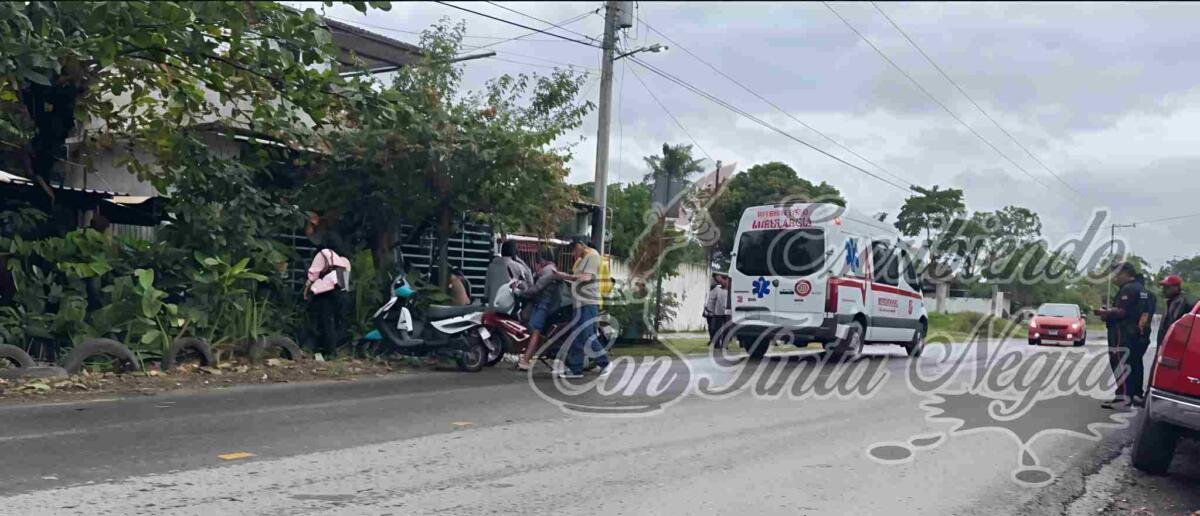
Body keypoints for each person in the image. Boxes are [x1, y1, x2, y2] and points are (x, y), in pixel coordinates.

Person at [554, 238, 611, 378]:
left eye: (574, 248)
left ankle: (604, 362)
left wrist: (564, 275)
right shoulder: (582, 259)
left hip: (588, 302)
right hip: (579, 303)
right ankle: (575, 369)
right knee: (577, 335)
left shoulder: (592, 256)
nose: (573, 252)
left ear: (581, 245)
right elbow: (577, 278)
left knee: (586, 335)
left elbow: (585, 278)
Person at [1093, 262, 1147, 409]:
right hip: (1135, 332)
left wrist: (1105, 313)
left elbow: (1122, 312)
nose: (1114, 277)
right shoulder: (1141, 289)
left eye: (1116, 273)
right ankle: (1132, 395)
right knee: (1131, 363)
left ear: (1126, 273)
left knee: (1119, 362)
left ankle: (1122, 398)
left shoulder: (1128, 289)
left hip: (1121, 331)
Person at [514, 248, 561, 371]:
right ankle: (526, 356)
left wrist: (520, 292)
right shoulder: (547, 270)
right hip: (540, 303)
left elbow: (536, 289)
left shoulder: (549, 271)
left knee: (535, 330)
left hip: (543, 305)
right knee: (530, 326)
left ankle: (526, 360)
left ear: (543, 259)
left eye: (539, 259)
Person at [304, 246, 352, 358]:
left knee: (327, 322)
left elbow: (313, 274)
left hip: (327, 293)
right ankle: (335, 349)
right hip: (341, 293)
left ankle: (329, 352)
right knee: (337, 322)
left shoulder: (322, 253)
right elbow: (345, 283)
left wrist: (306, 290)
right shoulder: (344, 262)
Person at [485, 240, 533, 307]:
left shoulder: (491, 266)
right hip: (509, 307)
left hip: (492, 305)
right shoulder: (518, 266)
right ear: (514, 252)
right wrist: (520, 260)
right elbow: (530, 283)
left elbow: (487, 288)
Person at [1156, 275, 1192, 346]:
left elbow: (1174, 324)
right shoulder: (1172, 301)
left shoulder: (1180, 302)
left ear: (1176, 288)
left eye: (1167, 287)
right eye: (1163, 287)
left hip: (1171, 344)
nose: (1164, 290)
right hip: (1165, 343)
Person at [704, 272, 731, 349]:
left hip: (728, 312)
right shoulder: (717, 289)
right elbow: (711, 300)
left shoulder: (731, 290)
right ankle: (716, 344)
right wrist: (710, 310)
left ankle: (724, 344)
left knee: (727, 328)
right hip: (718, 312)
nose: (721, 282)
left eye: (722, 280)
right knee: (717, 328)